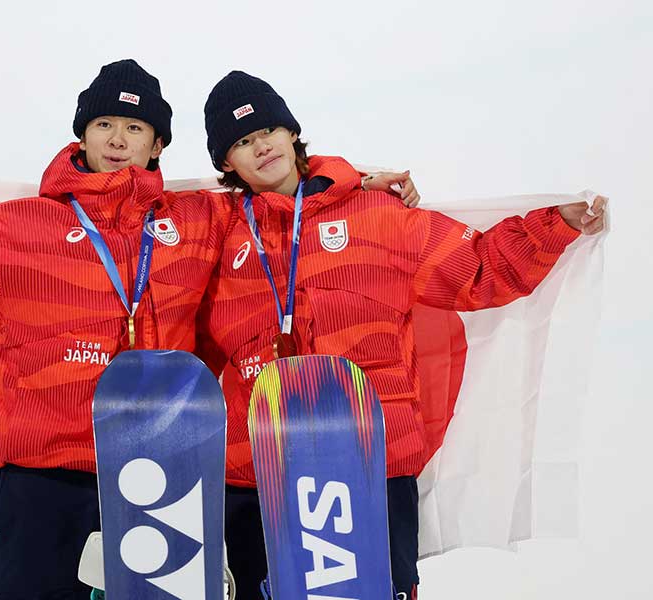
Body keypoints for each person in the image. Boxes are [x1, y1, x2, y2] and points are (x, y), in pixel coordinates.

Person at [0, 59, 419, 600]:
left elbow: (283, 204)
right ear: (82, 135)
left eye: (135, 127)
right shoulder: (18, 227)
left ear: (158, 145)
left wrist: (354, 186)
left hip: (162, 478)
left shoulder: (199, 222)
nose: (118, 139)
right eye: (105, 124)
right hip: (45, 475)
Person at [194, 70, 607, 600]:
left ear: (292, 132)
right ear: (227, 163)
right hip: (256, 466)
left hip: (370, 455)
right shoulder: (216, 231)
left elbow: (478, 267)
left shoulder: (379, 215)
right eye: (242, 142)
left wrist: (557, 224)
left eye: (268, 130)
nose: (261, 147)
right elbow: (145, 233)